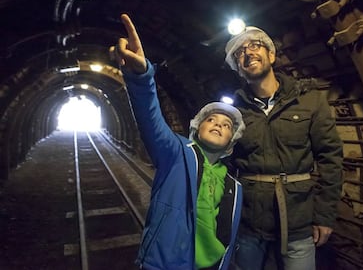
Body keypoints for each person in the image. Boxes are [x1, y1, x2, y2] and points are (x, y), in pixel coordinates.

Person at [110, 14, 246, 270]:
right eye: (211, 120)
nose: (218, 124)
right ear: (196, 128)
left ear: (230, 143)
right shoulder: (176, 153)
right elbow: (151, 119)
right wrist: (141, 77)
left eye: (226, 125)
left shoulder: (234, 187)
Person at [223, 26, 343, 269]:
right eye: (239, 53)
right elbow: (221, 162)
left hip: (298, 220)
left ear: (271, 55)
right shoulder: (233, 112)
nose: (247, 53)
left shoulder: (309, 101)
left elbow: (331, 159)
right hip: (249, 222)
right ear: (238, 69)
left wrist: (325, 216)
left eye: (254, 45)